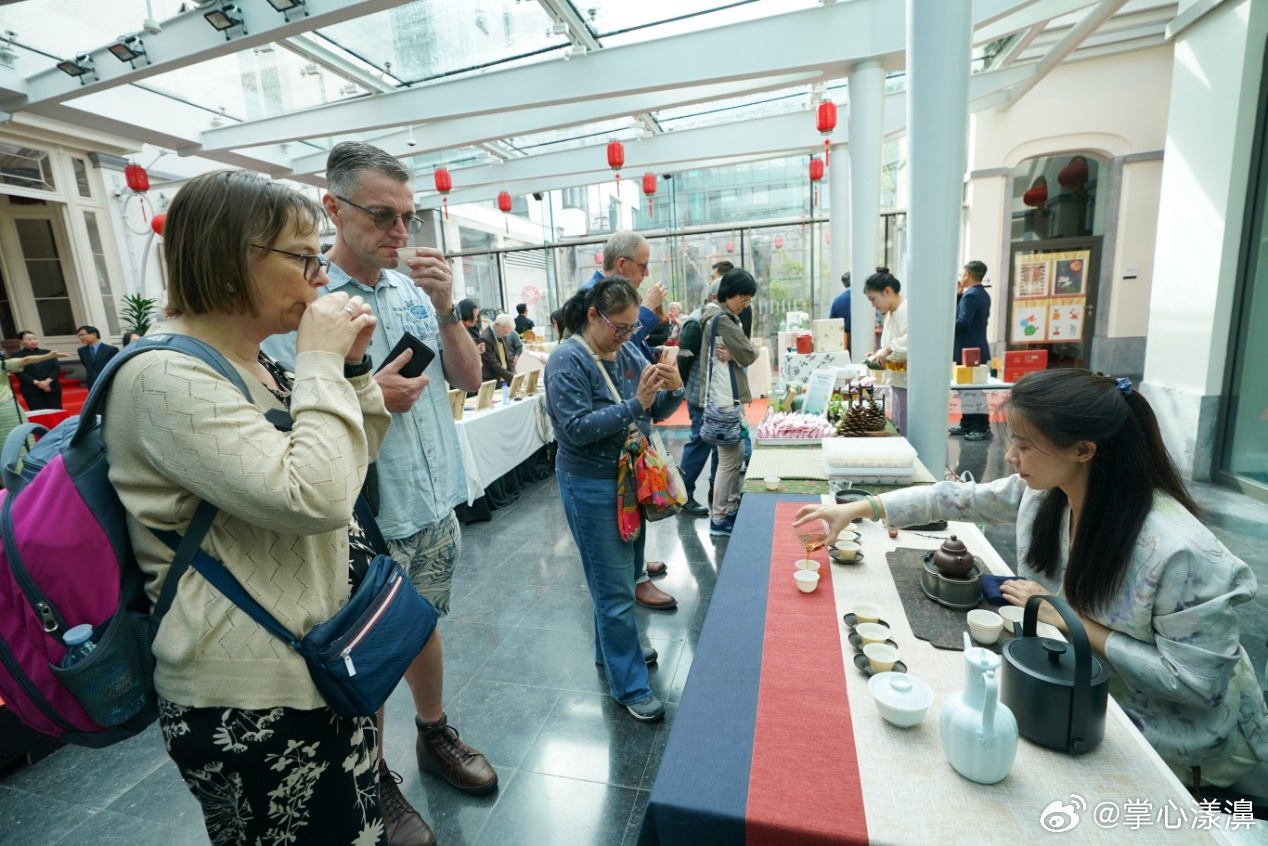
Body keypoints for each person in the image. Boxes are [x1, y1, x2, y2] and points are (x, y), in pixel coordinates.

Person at [795, 368, 1267, 789]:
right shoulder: (1048, 494)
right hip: (1073, 694)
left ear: (1084, 450)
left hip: (1174, 737)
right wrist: (859, 508)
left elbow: (1197, 684)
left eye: (1024, 446)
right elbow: (957, 499)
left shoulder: (1181, 553)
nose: (1012, 459)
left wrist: (1068, 619)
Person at [102, 170, 393, 846]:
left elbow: (354, 457)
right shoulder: (163, 379)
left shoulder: (256, 362)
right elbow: (315, 496)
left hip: (315, 666)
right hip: (247, 699)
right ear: (234, 257)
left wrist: (346, 369)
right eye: (302, 257)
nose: (320, 277)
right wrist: (319, 365)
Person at [263, 141, 496, 846]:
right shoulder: (305, 307)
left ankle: (433, 733)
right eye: (383, 217)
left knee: (422, 623)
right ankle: (374, 775)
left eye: (410, 218)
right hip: (362, 515)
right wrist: (364, 392)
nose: (401, 233)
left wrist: (448, 307)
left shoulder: (410, 290)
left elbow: (466, 379)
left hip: (433, 500)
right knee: (367, 651)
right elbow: (283, 421)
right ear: (332, 208)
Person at [544, 276, 684, 723]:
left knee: (626, 575)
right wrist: (636, 403)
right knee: (614, 590)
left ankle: (615, 652)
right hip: (590, 482)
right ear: (592, 316)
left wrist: (672, 388)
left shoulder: (624, 350)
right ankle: (629, 685)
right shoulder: (567, 359)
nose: (627, 336)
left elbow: (653, 411)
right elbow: (577, 429)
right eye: (619, 327)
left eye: (631, 327)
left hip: (630, 478)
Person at [584, 231, 675, 608]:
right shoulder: (591, 302)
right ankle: (632, 577)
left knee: (635, 500)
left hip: (632, 421)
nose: (645, 273)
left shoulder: (616, 301)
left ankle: (634, 567)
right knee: (620, 511)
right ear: (621, 266)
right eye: (642, 266)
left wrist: (662, 325)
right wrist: (649, 314)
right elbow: (615, 348)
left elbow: (631, 349)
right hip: (611, 431)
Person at [697, 268, 758, 537]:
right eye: (742, 298)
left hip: (721, 397)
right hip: (724, 400)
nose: (745, 304)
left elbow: (742, 352)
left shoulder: (715, 315)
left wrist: (735, 353)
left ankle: (728, 511)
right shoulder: (722, 319)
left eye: (748, 299)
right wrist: (738, 353)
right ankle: (720, 517)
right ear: (728, 294)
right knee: (729, 463)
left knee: (731, 460)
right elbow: (749, 353)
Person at [676, 282, 723, 518]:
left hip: (717, 395)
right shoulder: (695, 323)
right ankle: (683, 494)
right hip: (700, 396)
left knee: (718, 445)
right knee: (699, 443)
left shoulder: (720, 319)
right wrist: (688, 388)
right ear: (714, 297)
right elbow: (683, 360)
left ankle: (717, 492)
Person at [950, 260, 992, 441]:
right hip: (973, 349)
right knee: (967, 389)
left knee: (972, 390)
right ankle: (968, 423)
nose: (960, 277)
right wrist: (959, 296)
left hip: (970, 351)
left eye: (961, 274)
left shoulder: (972, 295)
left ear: (967, 274)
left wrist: (943, 324)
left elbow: (963, 322)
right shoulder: (980, 293)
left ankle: (980, 427)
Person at [863, 268, 908, 434]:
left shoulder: (906, 309)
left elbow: (912, 340)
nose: (873, 304)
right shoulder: (890, 314)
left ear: (887, 291)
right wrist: (878, 355)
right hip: (898, 381)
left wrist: (887, 350)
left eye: (873, 299)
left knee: (909, 427)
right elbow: (890, 345)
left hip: (910, 383)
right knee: (900, 424)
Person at [12, 331, 64, 411]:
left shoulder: (48, 353)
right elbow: (19, 372)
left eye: (35, 339)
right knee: (38, 413)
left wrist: (47, 382)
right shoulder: (16, 356)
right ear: (21, 342)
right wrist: (37, 383)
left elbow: (56, 368)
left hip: (52, 387)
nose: (33, 341)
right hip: (31, 390)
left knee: (56, 411)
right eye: (29, 340)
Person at [76, 324, 119, 390]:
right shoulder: (81, 351)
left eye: (83, 335)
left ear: (94, 334)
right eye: (79, 336)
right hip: (92, 384)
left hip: (108, 383)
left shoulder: (110, 350)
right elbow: (87, 366)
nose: (81, 337)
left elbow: (116, 366)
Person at [480, 314, 517, 386]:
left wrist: (514, 374)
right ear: (496, 326)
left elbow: (509, 358)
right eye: (505, 332)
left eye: (509, 333)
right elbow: (493, 364)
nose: (506, 335)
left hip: (505, 378)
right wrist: (512, 377)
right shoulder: (485, 338)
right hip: (493, 380)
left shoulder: (501, 333)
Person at [828, 271, 852, 349]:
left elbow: (832, 322)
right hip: (860, 336)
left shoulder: (837, 300)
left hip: (842, 337)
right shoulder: (862, 299)